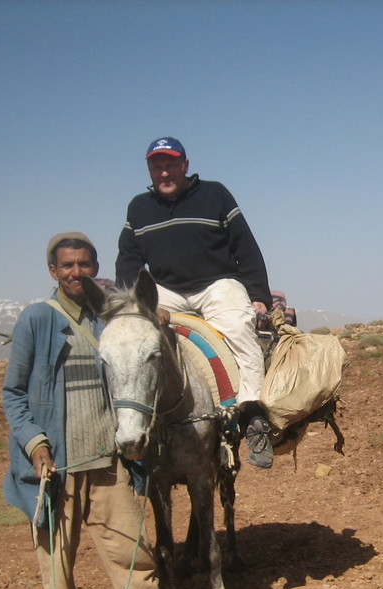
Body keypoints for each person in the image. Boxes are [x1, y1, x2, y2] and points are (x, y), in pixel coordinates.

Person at [2, 231, 203, 589]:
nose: (76, 272)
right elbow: (13, 393)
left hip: (107, 462)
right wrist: (36, 442)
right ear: (53, 271)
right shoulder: (37, 319)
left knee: (134, 553)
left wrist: (159, 316)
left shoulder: (108, 319)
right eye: (67, 265)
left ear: (96, 270)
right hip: (56, 470)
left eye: (85, 265)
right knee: (57, 565)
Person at [116, 137, 275, 469]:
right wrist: (136, 306)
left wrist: (258, 295)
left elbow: (245, 246)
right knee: (135, 341)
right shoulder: (138, 208)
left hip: (216, 283)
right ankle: (137, 420)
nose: (164, 172)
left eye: (171, 164)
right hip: (167, 290)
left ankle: (254, 416)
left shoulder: (214, 194)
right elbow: (128, 261)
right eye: (157, 166)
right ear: (149, 169)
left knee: (237, 326)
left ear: (185, 166)